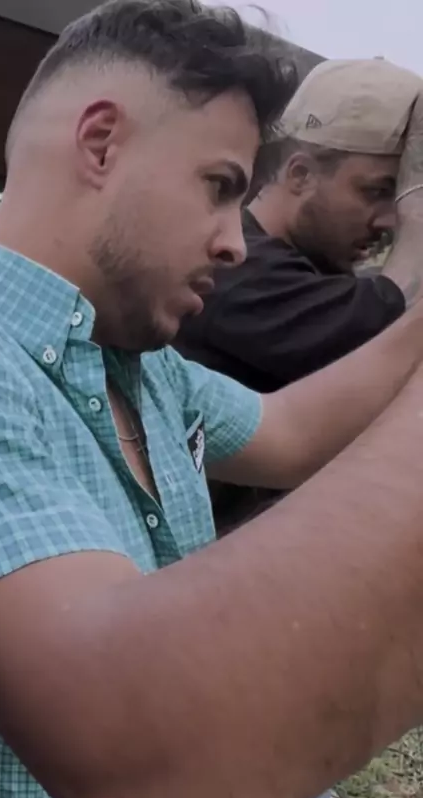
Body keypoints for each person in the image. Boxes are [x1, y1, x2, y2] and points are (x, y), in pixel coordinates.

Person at [0, 3, 423, 798]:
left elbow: (289, 430)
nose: (236, 243)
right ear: (100, 143)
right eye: (219, 186)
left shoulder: (141, 364)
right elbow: (150, 773)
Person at [177, 58, 423, 534]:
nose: (388, 220)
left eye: (395, 199)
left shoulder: (307, 274)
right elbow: (389, 325)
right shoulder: (235, 270)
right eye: (377, 191)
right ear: (300, 174)